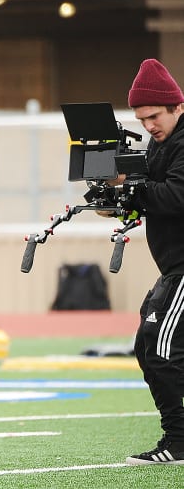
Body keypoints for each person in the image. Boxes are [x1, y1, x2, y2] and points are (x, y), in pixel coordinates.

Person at [107, 58, 184, 465]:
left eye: (154, 115)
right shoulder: (159, 143)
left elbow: (174, 196)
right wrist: (113, 199)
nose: (148, 124)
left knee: (159, 349)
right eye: (141, 118)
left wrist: (131, 189)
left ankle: (180, 439)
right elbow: (146, 194)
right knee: (147, 347)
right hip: (173, 269)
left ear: (177, 106)